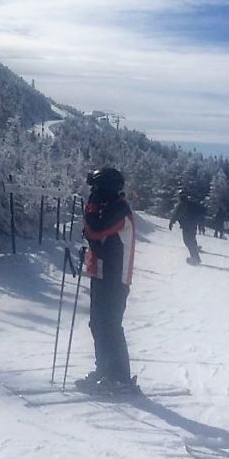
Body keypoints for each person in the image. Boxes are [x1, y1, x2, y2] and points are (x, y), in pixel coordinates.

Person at [75, 167, 138, 395]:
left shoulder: (119, 210)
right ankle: (105, 370)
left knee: (110, 326)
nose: (94, 192)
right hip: (102, 274)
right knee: (98, 324)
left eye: (97, 188)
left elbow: (95, 231)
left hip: (115, 278)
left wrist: (90, 208)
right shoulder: (110, 207)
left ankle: (120, 377)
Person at [169, 189, 203, 265]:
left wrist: (171, 222)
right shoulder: (189, 203)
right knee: (191, 240)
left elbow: (177, 214)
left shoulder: (182, 204)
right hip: (192, 225)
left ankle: (195, 258)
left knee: (188, 241)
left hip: (187, 226)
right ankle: (196, 256)